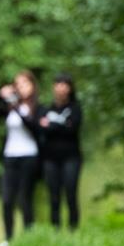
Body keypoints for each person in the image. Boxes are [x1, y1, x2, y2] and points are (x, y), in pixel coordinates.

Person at [0, 70, 41, 246]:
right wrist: (1, 96)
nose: (20, 87)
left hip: (29, 156)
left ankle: (28, 240)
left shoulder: (36, 107)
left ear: (33, 86)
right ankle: (8, 239)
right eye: (17, 84)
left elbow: (32, 127)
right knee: (7, 199)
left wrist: (16, 104)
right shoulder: (10, 106)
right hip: (11, 155)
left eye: (24, 84)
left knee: (25, 199)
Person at [39, 73, 84, 230]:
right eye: (58, 83)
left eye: (65, 84)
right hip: (50, 158)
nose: (61, 88)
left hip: (71, 157)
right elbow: (41, 129)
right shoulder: (46, 108)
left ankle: (73, 228)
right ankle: (55, 230)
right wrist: (61, 126)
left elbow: (72, 130)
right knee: (54, 196)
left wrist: (51, 126)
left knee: (70, 194)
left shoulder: (75, 108)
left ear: (70, 88)